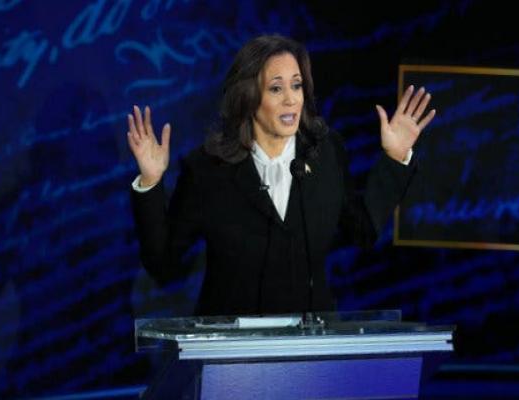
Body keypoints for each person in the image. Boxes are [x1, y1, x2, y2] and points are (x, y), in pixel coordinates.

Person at [127, 35, 435, 316]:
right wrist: (151, 183)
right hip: (231, 355)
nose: (291, 99)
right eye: (276, 88)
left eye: (297, 85)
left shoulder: (326, 154)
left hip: (309, 347)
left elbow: (363, 231)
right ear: (248, 96)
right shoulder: (207, 169)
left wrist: (395, 159)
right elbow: (162, 264)